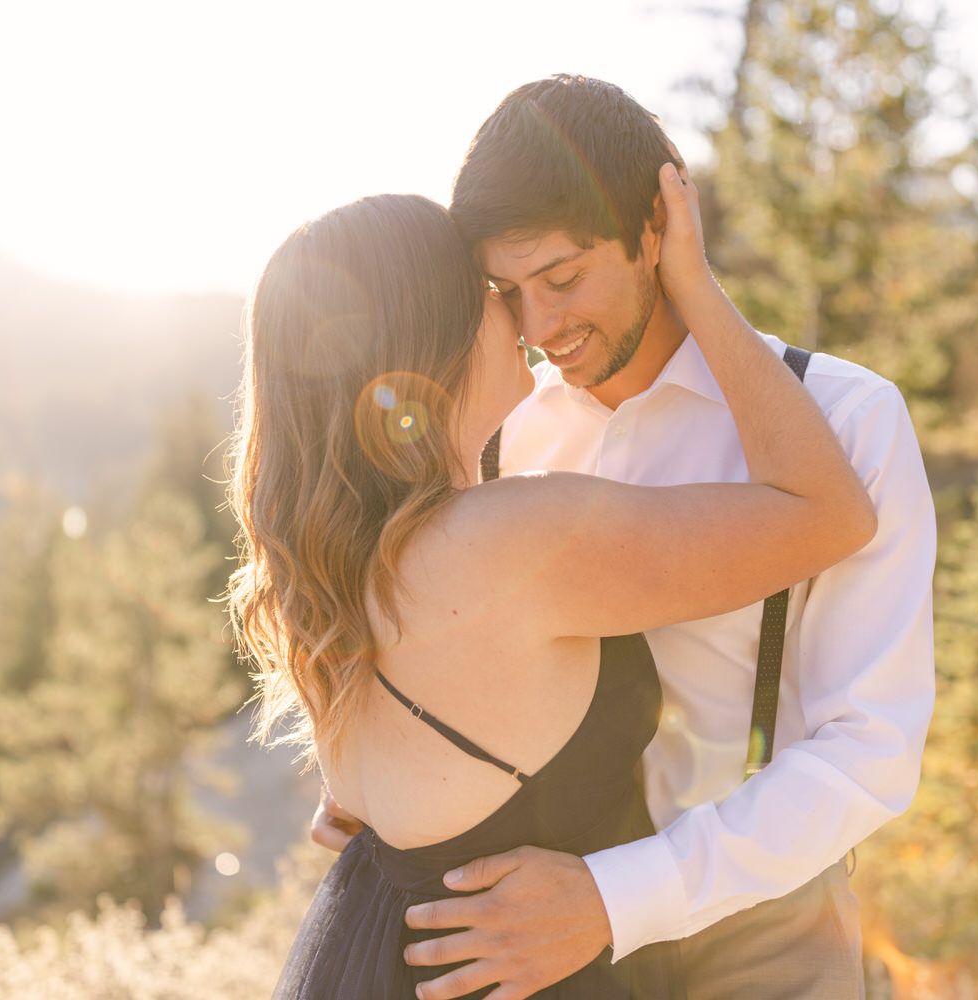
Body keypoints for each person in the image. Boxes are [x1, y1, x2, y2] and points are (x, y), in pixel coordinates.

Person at [314, 75, 931, 1000]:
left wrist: (619, 896)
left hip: (762, 929)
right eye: (507, 290)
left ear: (655, 230)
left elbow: (869, 749)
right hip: (535, 928)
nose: (539, 326)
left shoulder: (846, 420)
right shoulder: (501, 428)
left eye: (563, 278)